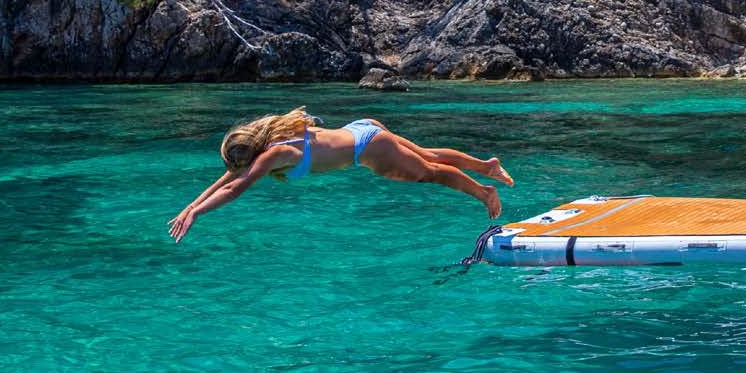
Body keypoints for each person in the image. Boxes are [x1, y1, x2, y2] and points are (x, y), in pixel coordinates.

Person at [168, 107, 512, 242]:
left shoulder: (275, 154)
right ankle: (486, 166)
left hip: (368, 149)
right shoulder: (272, 135)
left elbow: (236, 188)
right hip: (363, 128)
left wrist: (198, 212)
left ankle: (484, 192)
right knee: (428, 155)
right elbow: (229, 177)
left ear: (252, 157)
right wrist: (190, 206)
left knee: (430, 173)